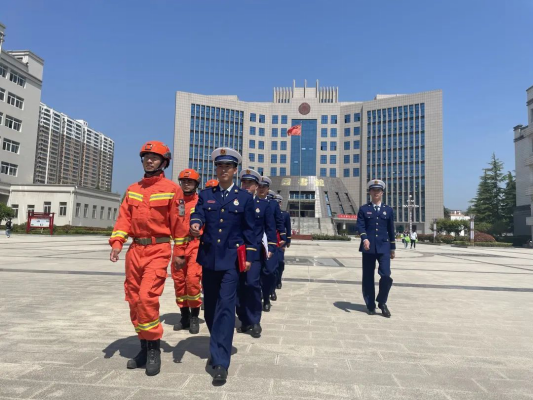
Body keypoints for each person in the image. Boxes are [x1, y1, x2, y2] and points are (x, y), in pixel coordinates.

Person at [109, 141, 188, 376]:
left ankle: (154, 349)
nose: (149, 161)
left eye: (154, 157)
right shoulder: (133, 189)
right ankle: (143, 347)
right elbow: (124, 219)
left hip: (158, 250)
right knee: (134, 299)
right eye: (146, 157)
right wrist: (117, 243)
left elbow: (179, 223)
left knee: (146, 298)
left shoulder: (173, 190)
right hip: (135, 251)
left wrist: (180, 252)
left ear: (164, 162)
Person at [189, 147, 256, 384]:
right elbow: (198, 213)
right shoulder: (206, 194)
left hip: (231, 260)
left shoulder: (245, 197)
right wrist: (195, 223)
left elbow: (250, 230)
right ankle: (217, 342)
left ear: (235, 170)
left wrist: (249, 256)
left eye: (228, 166)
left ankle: (220, 361)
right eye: (220, 166)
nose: (223, 170)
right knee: (210, 309)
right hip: (209, 258)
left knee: (226, 308)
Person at [236, 168, 276, 338]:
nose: (246, 185)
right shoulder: (234, 201)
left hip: (254, 253)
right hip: (236, 251)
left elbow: (270, 228)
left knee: (252, 284)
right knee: (238, 287)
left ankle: (255, 320)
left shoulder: (263, 205)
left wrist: (271, 247)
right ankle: (244, 319)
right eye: (244, 182)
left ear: (256, 186)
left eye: (250, 183)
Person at [356, 179, 395, 318]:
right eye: (373, 190)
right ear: (370, 192)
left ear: (382, 192)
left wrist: (392, 248)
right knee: (368, 277)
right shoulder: (364, 209)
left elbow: (391, 229)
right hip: (368, 247)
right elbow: (360, 226)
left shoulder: (388, 210)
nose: (376, 192)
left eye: (378, 190)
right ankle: (370, 304)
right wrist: (364, 238)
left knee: (386, 275)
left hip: (384, 247)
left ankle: (382, 302)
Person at [172, 169, 203, 334]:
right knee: (179, 282)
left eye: (190, 182)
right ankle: (184, 316)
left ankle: (194, 316)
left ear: (196, 184)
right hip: (178, 247)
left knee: (192, 280)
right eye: (184, 181)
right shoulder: (175, 202)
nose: (186, 184)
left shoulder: (201, 202)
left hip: (195, 245)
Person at [257, 183, 285, 311]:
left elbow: (279, 221)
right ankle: (258, 295)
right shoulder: (251, 202)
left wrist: (283, 236)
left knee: (269, 271)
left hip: (269, 241)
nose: (261, 189)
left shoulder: (273, 204)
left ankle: (267, 296)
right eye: (259, 186)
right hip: (255, 241)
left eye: (264, 187)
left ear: (268, 189)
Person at [275, 195, 291, 290]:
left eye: (278, 202)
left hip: (281, 242)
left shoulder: (285, 214)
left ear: (280, 203)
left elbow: (288, 228)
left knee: (280, 262)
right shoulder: (269, 213)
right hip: (271, 241)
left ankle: (278, 280)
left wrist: (288, 240)